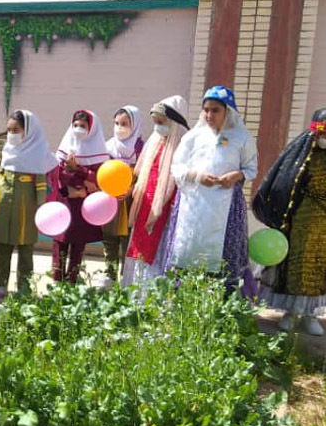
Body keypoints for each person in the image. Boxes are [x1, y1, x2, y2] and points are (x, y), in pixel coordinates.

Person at [169, 86, 258, 295]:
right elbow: (177, 167)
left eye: (215, 110)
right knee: (190, 251)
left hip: (226, 207)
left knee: (224, 255)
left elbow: (251, 168)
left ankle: (222, 303)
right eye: (206, 110)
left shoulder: (242, 137)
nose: (209, 115)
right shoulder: (193, 137)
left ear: (228, 111)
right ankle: (184, 299)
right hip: (194, 206)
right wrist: (197, 176)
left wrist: (235, 175)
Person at [254, 108, 326, 336]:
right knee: (295, 266)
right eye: (322, 132)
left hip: (323, 225)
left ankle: (310, 315)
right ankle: (291, 313)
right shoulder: (301, 156)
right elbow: (283, 182)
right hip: (299, 223)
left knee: (318, 268)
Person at [0, 109, 56, 296]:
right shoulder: (7, 150)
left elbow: (41, 183)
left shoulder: (37, 153)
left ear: (28, 130)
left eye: (16, 130)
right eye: (9, 130)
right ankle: (1, 286)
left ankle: (24, 289)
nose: (12, 134)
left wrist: (41, 207)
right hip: (4, 207)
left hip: (27, 209)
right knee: (2, 247)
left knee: (25, 250)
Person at [122, 95, 189, 288]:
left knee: (160, 250)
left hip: (167, 211)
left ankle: (155, 293)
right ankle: (136, 292)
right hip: (145, 206)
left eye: (161, 122)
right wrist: (131, 189)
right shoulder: (154, 142)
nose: (158, 127)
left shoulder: (185, 146)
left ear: (174, 123)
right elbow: (142, 174)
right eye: (155, 122)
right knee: (140, 248)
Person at [50, 110, 110, 283]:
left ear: (91, 129)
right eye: (75, 125)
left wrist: (77, 170)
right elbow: (59, 175)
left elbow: (98, 179)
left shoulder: (99, 152)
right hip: (65, 202)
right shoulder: (66, 147)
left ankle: (72, 282)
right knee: (60, 243)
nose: (78, 129)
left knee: (78, 244)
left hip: (84, 205)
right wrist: (78, 184)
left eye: (83, 126)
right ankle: (57, 281)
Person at [99, 105, 144, 288]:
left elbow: (145, 174)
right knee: (109, 237)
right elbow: (102, 172)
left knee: (128, 238)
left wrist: (131, 188)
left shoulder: (141, 149)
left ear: (135, 124)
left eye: (124, 124)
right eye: (117, 123)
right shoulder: (108, 146)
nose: (119, 128)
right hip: (111, 199)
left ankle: (127, 276)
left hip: (131, 199)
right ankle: (109, 274)